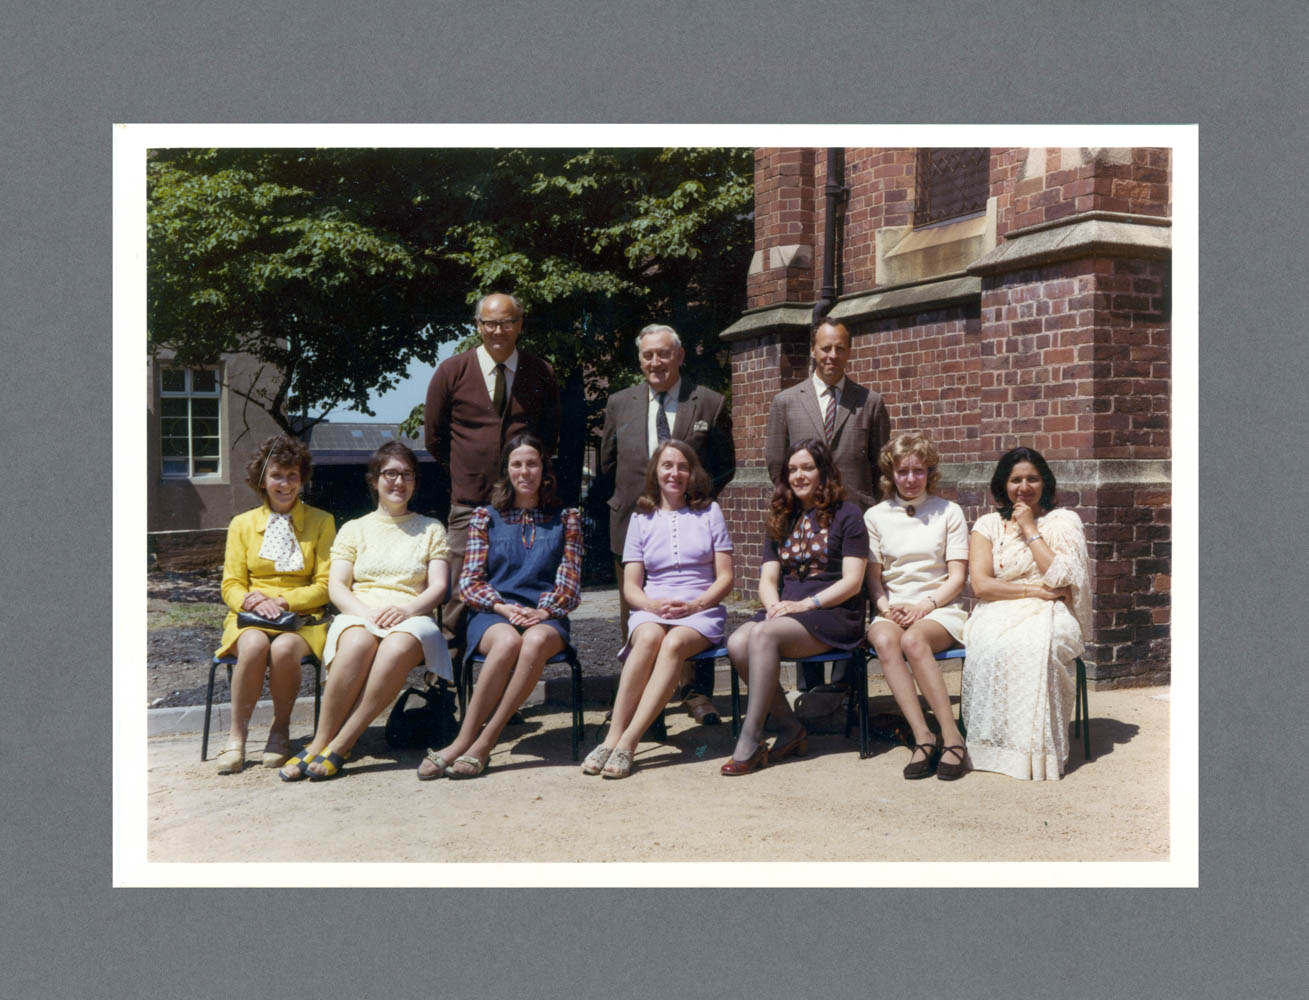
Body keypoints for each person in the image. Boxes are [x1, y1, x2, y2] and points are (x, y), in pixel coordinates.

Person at [279, 442, 453, 781]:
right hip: (360, 613)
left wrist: (405, 610)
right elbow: (338, 586)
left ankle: (343, 743)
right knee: (358, 643)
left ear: (415, 481)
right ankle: (320, 742)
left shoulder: (431, 528)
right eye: (390, 473)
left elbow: (437, 587)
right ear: (375, 480)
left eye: (406, 475)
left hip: (412, 616)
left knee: (397, 646)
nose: (398, 482)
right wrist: (366, 614)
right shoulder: (354, 528)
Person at [416, 433, 583, 780]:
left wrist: (543, 611)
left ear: (544, 469)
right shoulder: (484, 517)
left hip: (546, 617)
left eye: (532, 463)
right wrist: (504, 608)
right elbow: (470, 582)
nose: (525, 471)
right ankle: (463, 739)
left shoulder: (566, 518)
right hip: (494, 614)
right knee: (508, 641)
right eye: (517, 464)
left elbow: (569, 582)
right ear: (506, 471)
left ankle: (483, 744)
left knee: (534, 641)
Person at [597, 322, 735, 724]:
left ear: (679, 355)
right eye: (647, 355)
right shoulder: (620, 403)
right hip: (634, 525)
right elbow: (607, 464)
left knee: (695, 604)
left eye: (663, 353)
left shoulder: (708, 402)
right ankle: (642, 705)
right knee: (639, 618)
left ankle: (697, 694)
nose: (655, 362)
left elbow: (724, 464)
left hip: (692, 527)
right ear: (639, 360)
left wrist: (697, 507)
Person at [583, 440, 735, 778]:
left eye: (682, 466)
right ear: (656, 471)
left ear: (692, 473)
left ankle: (628, 744)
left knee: (674, 644)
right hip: (653, 608)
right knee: (649, 637)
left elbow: (725, 578)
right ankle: (611, 738)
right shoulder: (641, 518)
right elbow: (631, 586)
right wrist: (653, 605)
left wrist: (696, 603)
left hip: (700, 609)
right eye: (667, 465)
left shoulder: (709, 512)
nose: (675, 473)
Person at [721, 439, 868, 775]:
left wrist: (805, 604)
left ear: (823, 472)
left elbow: (853, 582)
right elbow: (768, 579)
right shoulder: (783, 516)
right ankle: (790, 726)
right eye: (792, 469)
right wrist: (774, 606)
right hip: (788, 612)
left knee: (761, 637)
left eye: (807, 467)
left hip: (833, 612)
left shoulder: (848, 514)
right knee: (737, 642)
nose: (799, 475)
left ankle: (751, 737)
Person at [424, 292, 561, 641]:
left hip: (522, 505)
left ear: (520, 325)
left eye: (507, 322)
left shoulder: (540, 372)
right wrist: (466, 471)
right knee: (456, 589)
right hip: (468, 502)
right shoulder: (452, 371)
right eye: (490, 323)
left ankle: (507, 666)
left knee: (520, 583)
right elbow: (435, 439)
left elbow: (549, 436)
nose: (498, 330)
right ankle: (446, 681)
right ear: (478, 326)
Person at [764, 317, 889, 692]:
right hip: (807, 522)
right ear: (814, 350)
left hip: (856, 522)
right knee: (800, 594)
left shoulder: (870, 402)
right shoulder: (786, 402)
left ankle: (845, 694)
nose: (832, 355)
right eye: (825, 347)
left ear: (849, 352)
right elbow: (776, 465)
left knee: (852, 601)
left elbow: (880, 468)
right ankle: (810, 694)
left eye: (840, 348)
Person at [961, 447, 1092, 781]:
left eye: (1032, 478)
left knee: (1041, 647)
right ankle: (997, 747)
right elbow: (982, 586)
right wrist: (1036, 591)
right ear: (1003, 485)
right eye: (1015, 479)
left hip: (1051, 610)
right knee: (991, 644)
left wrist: (1030, 527)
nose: (1024, 487)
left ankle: (1036, 751)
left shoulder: (1062, 522)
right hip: (1000, 608)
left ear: (1044, 482)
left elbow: (1062, 579)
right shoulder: (988, 525)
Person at [212, 435, 335, 774]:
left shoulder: (322, 522)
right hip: (251, 614)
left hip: (302, 618)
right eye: (277, 475)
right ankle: (236, 736)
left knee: (283, 650)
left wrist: (284, 601)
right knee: (251, 645)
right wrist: (250, 600)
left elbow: (325, 585)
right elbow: (231, 584)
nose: (285, 484)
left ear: (302, 478)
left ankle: (280, 730)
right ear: (263, 480)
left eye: (292, 476)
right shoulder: (242, 525)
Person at [863, 433, 970, 780]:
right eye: (902, 471)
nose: (910, 479)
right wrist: (884, 607)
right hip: (892, 608)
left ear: (930, 473)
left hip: (938, 608)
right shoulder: (875, 516)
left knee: (913, 641)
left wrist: (924, 606)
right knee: (884, 640)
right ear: (890, 474)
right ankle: (923, 736)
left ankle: (952, 738)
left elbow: (957, 577)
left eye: (918, 471)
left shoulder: (948, 512)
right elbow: (874, 580)